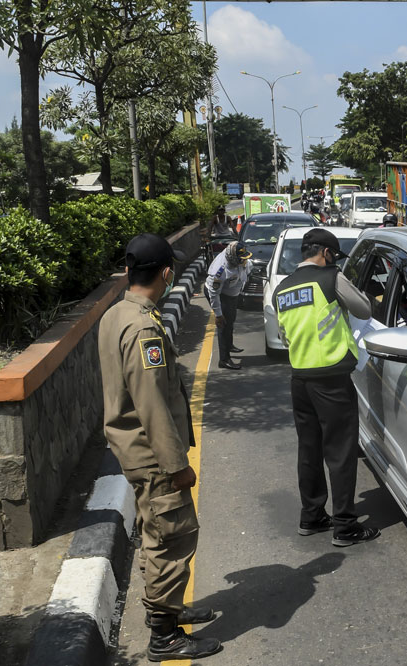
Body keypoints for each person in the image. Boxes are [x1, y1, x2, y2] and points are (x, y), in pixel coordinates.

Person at [97, 233, 221, 662]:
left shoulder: (116, 314)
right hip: (153, 457)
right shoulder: (143, 328)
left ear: (129, 271)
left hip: (134, 450)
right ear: (167, 274)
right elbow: (150, 404)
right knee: (173, 537)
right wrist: (176, 465)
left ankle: (169, 608)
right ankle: (164, 636)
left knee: (157, 532)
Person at [273, 228, 380, 547]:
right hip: (332, 379)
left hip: (300, 379)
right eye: (334, 256)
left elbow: (284, 336)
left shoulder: (283, 288)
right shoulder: (331, 278)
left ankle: (312, 516)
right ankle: (345, 526)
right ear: (327, 253)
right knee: (341, 452)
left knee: (309, 450)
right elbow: (364, 309)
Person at [204, 241, 251, 370]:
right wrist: (218, 315)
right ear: (233, 258)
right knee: (223, 324)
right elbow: (214, 293)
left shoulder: (242, 260)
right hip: (220, 295)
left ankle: (229, 345)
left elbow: (247, 269)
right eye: (241, 259)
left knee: (231, 319)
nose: (244, 261)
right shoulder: (220, 270)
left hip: (232, 294)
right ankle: (224, 359)